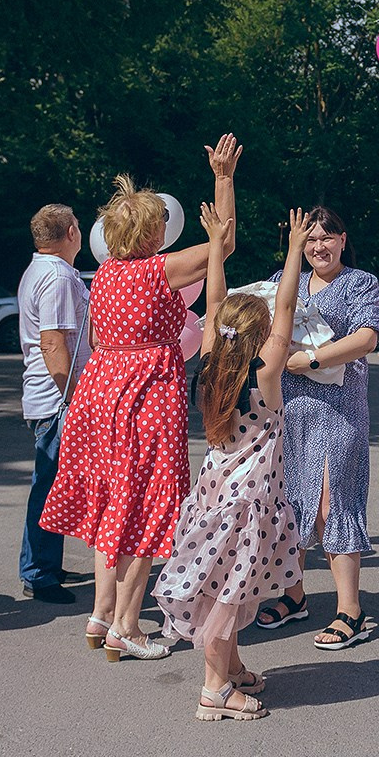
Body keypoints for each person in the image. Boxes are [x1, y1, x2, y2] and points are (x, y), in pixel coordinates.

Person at [43, 135, 241, 660]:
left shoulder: (104, 273)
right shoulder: (160, 269)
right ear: (151, 230)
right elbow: (224, 244)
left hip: (99, 392)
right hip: (146, 393)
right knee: (149, 510)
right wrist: (223, 180)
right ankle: (126, 627)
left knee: (113, 506)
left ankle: (101, 614)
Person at [154, 206, 309, 720]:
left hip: (215, 491)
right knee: (227, 590)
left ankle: (233, 665)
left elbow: (217, 302)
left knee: (227, 581)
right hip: (249, 500)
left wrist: (217, 246)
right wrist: (292, 251)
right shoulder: (267, 374)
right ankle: (215, 689)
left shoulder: (212, 367)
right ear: (263, 336)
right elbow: (286, 303)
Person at [250, 207, 379, 650]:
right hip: (287, 412)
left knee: (334, 504)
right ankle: (294, 595)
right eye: (310, 240)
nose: (319, 247)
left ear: (343, 240)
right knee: (289, 506)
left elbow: (368, 337)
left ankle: (351, 609)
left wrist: (311, 359)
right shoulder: (281, 280)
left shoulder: (359, 283)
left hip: (338, 411)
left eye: (327, 237)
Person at [16, 203, 87, 602]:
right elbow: (53, 341)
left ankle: (44, 563)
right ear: (72, 232)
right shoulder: (57, 276)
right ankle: (39, 573)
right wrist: (74, 396)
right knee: (48, 486)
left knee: (51, 485)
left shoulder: (40, 270)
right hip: (57, 400)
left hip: (48, 397)